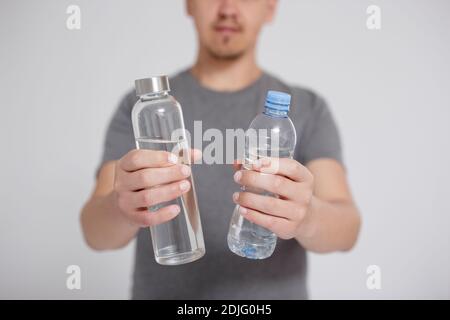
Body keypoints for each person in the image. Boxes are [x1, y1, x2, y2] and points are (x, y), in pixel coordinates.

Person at [80, 0, 361, 299]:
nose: (228, 8)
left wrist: (306, 217)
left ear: (270, 8)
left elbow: (347, 230)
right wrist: (123, 207)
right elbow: (95, 234)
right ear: (189, 4)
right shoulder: (143, 106)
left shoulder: (306, 108)